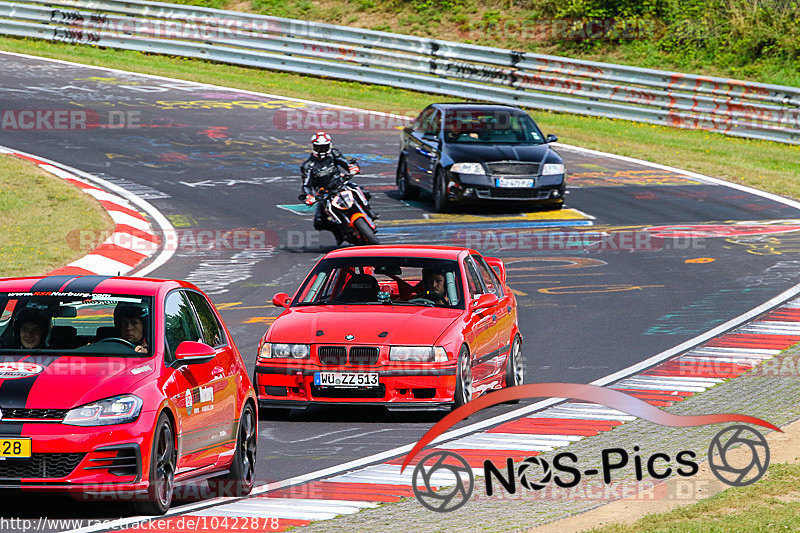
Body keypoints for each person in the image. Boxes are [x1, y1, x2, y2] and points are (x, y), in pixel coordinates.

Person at [300, 131, 353, 245]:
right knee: (319, 222)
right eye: (319, 148)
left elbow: (345, 163)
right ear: (313, 147)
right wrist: (308, 196)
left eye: (324, 147)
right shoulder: (308, 165)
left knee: (364, 192)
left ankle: (370, 212)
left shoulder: (334, 154)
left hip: (341, 184)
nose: (322, 151)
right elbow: (306, 184)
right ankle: (339, 233)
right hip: (325, 194)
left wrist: (352, 168)